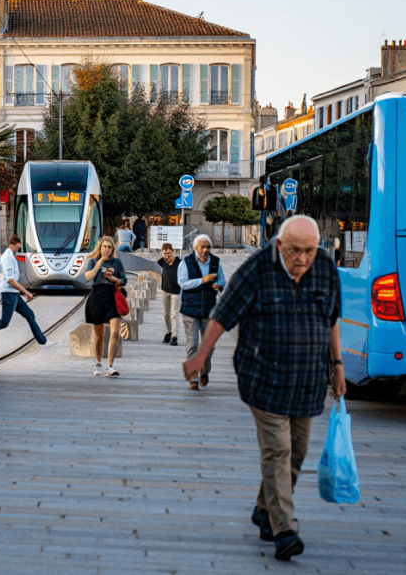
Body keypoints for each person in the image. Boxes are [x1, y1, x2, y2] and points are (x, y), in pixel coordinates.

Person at [183, 215, 346, 562]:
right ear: (278, 246)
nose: (302, 258)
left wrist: (338, 366)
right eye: (294, 251)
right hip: (264, 376)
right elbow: (223, 315)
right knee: (278, 451)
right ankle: (283, 529)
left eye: (310, 251)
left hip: (308, 380)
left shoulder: (326, 269)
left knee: (297, 453)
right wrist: (199, 356)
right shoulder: (256, 269)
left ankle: (264, 507)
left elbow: (331, 319)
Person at [178, 234, 224, 391]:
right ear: (195, 248)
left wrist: (218, 285)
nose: (205, 250)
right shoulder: (185, 263)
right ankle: (193, 378)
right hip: (190, 309)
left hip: (209, 310)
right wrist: (202, 280)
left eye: (208, 247)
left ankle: (204, 371)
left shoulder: (215, 262)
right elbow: (183, 284)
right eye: (202, 247)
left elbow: (222, 280)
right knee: (192, 344)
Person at [84, 236, 126, 377]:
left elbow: (123, 280)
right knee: (99, 335)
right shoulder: (93, 261)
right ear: (100, 248)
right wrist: (101, 261)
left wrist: (113, 278)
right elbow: (89, 276)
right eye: (104, 247)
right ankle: (98, 362)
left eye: (109, 247)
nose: (107, 249)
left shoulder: (117, 263)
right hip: (97, 296)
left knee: (115, 332)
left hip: (112, 296)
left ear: (113, 249)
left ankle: (110, 366)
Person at [0, 235, 47, 346]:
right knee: (4, 323)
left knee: (30, 315)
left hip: (13, 294)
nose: (18, 249)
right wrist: (27, 292)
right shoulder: (8, 257)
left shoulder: (10, 255)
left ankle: (43, 341)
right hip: (9, 294)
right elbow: (10, 280)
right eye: (17, 247)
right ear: (13, 244)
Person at [156, 243, 181, 346]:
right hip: (165, 289)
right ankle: (169, 331)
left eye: (169, 253)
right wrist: (162, 258)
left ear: (173, 252)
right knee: (166, 313)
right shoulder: (162, 262)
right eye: (165, 253)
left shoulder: (179, 262)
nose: (167, 256)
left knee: (174, 314)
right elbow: (155, 266)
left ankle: (174, 336)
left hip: (175, 290)